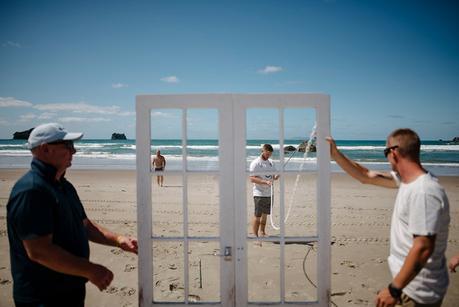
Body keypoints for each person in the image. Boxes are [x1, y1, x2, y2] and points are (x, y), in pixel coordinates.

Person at [6, 123, 138, 307]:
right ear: (45, 149)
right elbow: (39, 251)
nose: (73, 151)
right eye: (67, 146)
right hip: (43, 298)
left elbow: (84, 225)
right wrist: (91, 270)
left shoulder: (63, 185)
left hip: (69, 291)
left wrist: (118, 239)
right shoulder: (32, 190)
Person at [327, 128, 450, 307]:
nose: (386, 156)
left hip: (417, 292)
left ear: (393, 152)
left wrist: (394, 289)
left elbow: (423, 247)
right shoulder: (407, 181)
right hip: (409, 286)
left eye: (385, 151)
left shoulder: (423, 191)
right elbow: (366, 176)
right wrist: (336, 155)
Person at [249, 144, 279, 240]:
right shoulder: (256, 163)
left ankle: (262, 232)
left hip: (269, 193)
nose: (268, 156)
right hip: (259, 193)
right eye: (267, 153)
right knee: (257, 215)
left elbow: (273, 177)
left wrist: (277, 176)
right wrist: (264, 182)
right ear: (263, 151)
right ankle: (255, 235)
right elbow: (252, 178)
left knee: (265, 215)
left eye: (270, 154)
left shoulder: (271, 163)